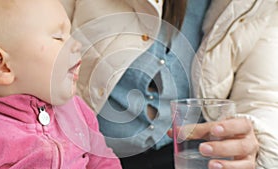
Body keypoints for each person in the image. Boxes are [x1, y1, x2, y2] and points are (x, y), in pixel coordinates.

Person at [63, 0, 278, 168]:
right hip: (81, 154)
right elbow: (39, 50)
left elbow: (263, 94)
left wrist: (255, 139)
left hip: (190, 155)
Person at [0, 0, 122, 168]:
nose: (76, 45)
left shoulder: (77, 110)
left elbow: (102, 161)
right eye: (58, 37)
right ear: (2, 66)